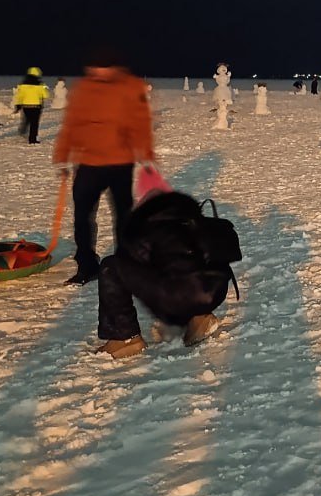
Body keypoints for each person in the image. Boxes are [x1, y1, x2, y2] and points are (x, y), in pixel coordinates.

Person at [96, 167, 234, 359]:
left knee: (112, 267)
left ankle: (124, 337)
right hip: (213, 290)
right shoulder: (191, 219)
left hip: (179, 295)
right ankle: (201, 317)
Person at [52, 47, 155, 285]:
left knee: (123, 216)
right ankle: (87, 265)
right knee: (82, 218)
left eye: (103, 68)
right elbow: (71, 124)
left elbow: (141, 123)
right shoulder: (84, 89)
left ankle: (124, 261)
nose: (98, 72)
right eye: (94, 68)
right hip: (88, 163)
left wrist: (146, 154)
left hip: (120, 163)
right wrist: (62, 156)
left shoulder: (130, 88)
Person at [13, 67, 51, 144]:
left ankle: (23, 129)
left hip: (26, 106)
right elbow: (46, 95)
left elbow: (19, 96)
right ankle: (32, 139)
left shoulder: (23, 85)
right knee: (34, 123)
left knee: (27, 119)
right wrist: (44, 87)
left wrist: (18, 105)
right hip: (36, 107)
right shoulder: (40, 85)